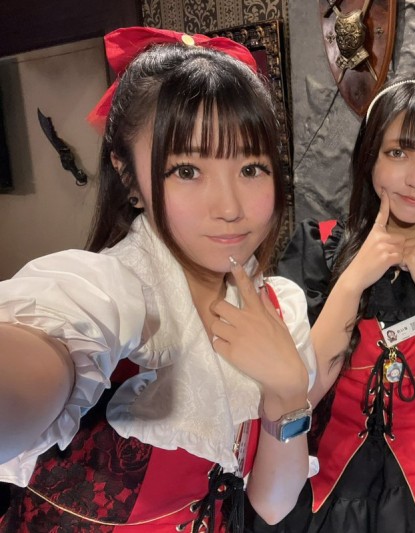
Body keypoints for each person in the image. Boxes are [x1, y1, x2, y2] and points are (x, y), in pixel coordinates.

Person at [0, 26, 316, 532]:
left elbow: (273, 505)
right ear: (128, 176)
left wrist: (288, 390)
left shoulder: (281, 307)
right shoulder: (110, 292)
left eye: (251, 168)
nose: (230, 208)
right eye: (187, 170)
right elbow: (30, 361)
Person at [256, 77, 415, 532]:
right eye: (397, 153)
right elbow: (302, 393)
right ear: (369, 159)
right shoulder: (317, 248)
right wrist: (354, 279)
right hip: (318, 487)